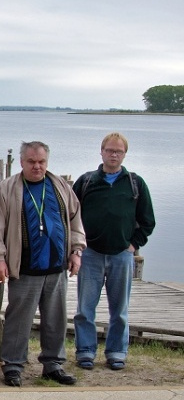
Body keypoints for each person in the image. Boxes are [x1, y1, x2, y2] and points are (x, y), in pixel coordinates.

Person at [0, 141, 86, 387]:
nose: (37, 166)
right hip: (25, 268)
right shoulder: (8, 188)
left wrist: (76, 251)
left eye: (41, 162)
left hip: (56, 266)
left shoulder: (60, 186)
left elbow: (75, 219)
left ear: (47, 162)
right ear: (22, 162)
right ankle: (13, 366)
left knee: (56, 319)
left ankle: (53, 365)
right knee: (19, 319)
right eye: (31, 162)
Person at [72, 132, 155, 371]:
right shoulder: (87, 181)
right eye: (109, 150)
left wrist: (133, 244)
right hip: (90, 254)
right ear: (101, 151)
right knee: (85, 309)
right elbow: (71, 215)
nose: (114, 155)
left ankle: (116, 352)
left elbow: (147, 220)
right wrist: (76, 247)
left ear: (124, 154)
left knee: (119, 309)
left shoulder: (135, 183)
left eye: (118, 151)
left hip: (122, 255)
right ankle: (85, 351)